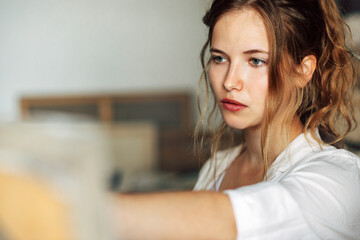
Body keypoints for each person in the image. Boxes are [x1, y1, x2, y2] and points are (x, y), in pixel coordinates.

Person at [114, 0, 360, 239]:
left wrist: (90, 209)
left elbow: (234, 220)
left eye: (256, 61)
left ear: (303, 70)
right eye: (220, 58)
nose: (230, 82)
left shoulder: (338, 179)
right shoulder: (218, 167)